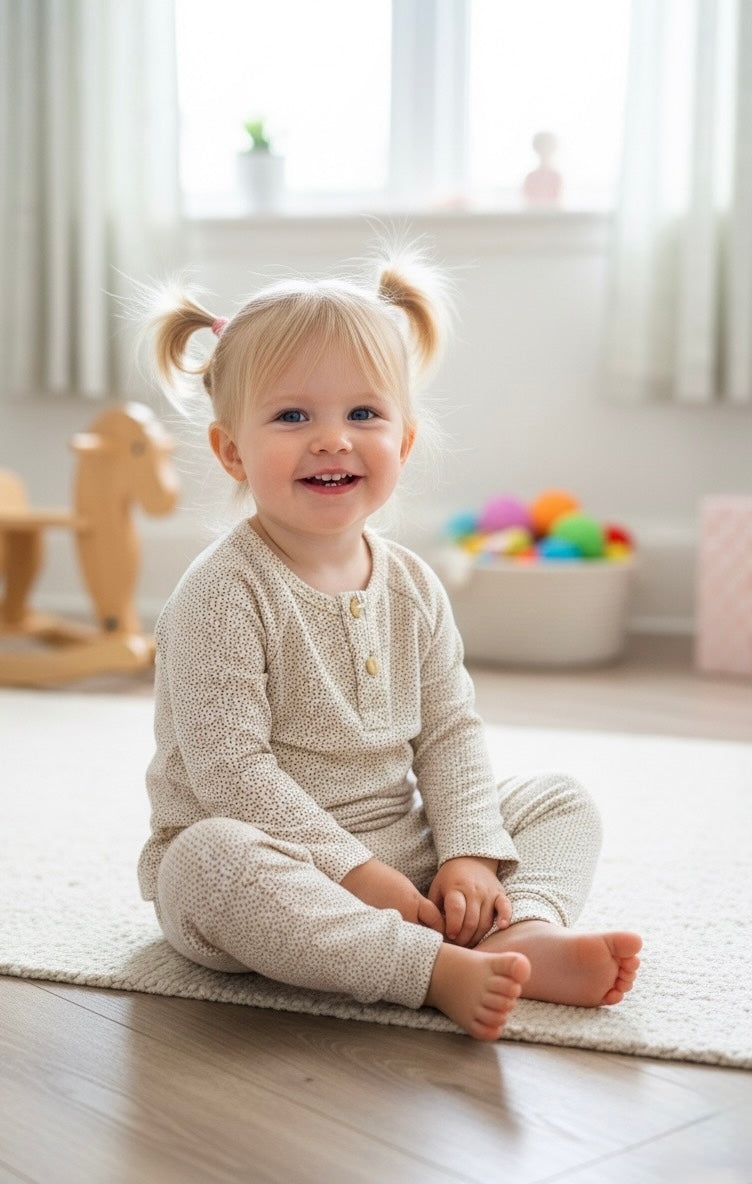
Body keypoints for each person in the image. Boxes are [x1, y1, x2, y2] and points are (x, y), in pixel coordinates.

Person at [138, 250, 641, 1041]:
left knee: (558, 798)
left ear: (403, 443)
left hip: (407, 848)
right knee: (208, 862)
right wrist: (354, 875)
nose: (332, 440)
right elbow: (231, 773)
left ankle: (520, 931)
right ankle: (428, 970)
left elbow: (448, 732)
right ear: (231, 450)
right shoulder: (220, 593)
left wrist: (470, 853)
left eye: (363, 416)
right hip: (280, 862)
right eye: (293, 417)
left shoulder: (412, 585)